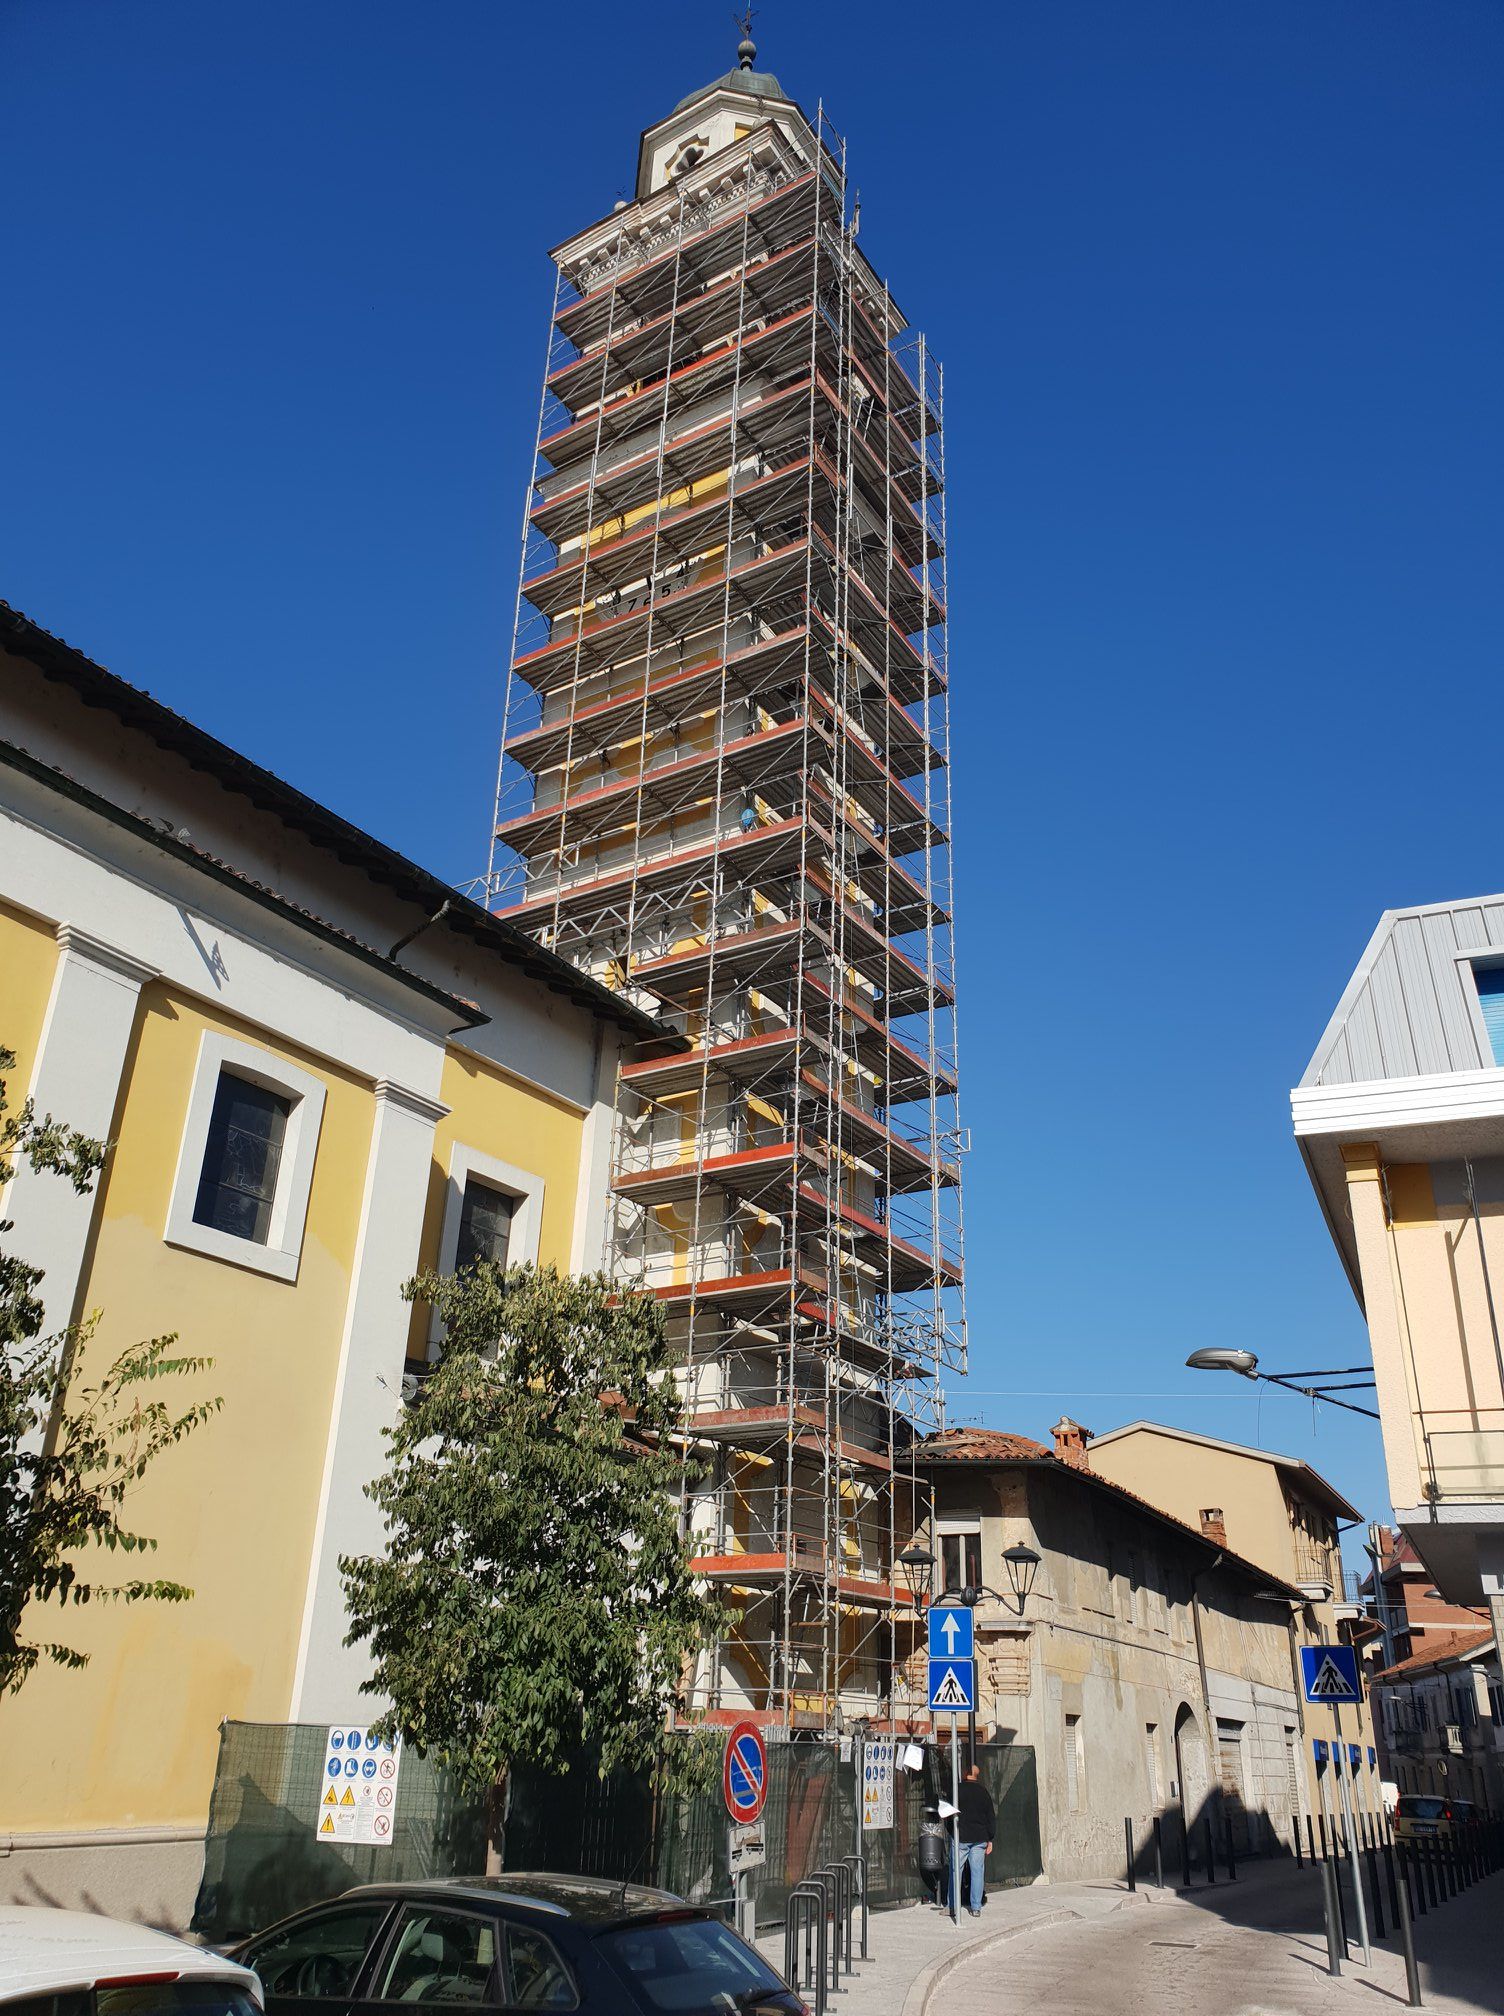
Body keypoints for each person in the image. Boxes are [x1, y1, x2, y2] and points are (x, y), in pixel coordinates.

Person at [956, 1762, 996, 1917]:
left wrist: (951, 1832)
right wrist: (990, 1838)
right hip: (980, 1838)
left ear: (966, 1773)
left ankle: (953, 1905)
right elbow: (991, 1818)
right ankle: (976, 1907)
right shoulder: (983, 1792)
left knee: (956, 1871)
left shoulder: (957, 1789)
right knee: (977, 1872)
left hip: (962, 1836)